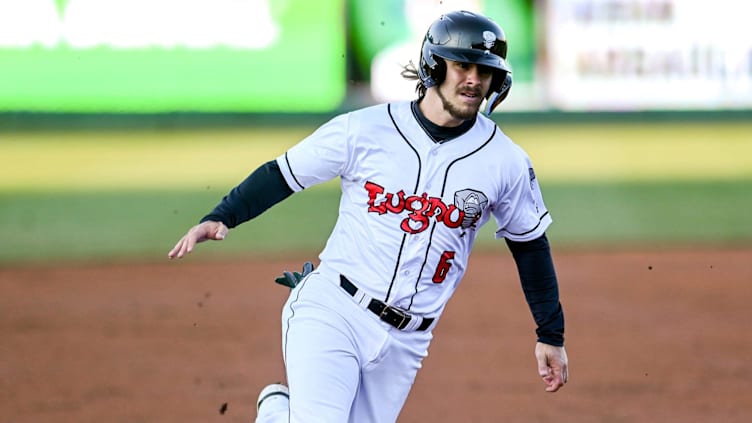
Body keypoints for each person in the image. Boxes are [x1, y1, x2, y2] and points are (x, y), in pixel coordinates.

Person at [168, 10, 568, 423]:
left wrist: (550, 334)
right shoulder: (365, 129)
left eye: (484, 70)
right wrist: (223, 216)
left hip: (408, 343)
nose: (473, 79)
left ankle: (277, 414)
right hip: (335, 309)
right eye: (462, 65)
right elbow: (284, 174)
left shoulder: (506, 162)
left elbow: (530, 246)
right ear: (434, 65)